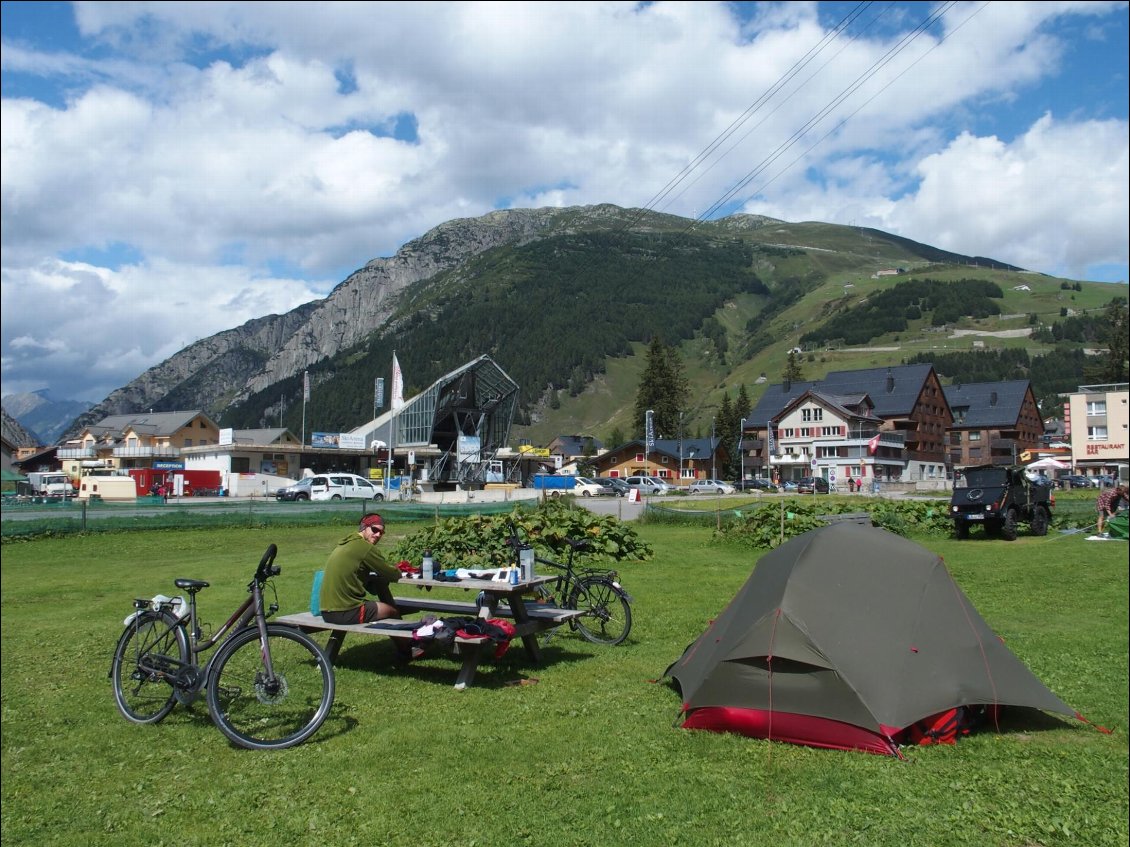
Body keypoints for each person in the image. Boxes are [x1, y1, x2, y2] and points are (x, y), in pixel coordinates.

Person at [319, 513, 404, 625]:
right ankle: (408, 642)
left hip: (327, 612)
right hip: (346, 611)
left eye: (381, 532)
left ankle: (406, 641)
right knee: (392, 611)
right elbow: (393, 575)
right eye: (374, 530)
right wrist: (399, 569)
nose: (378, 534)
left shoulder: (346, 543)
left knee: (382, 604)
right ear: (364, 527)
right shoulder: (365, 547)